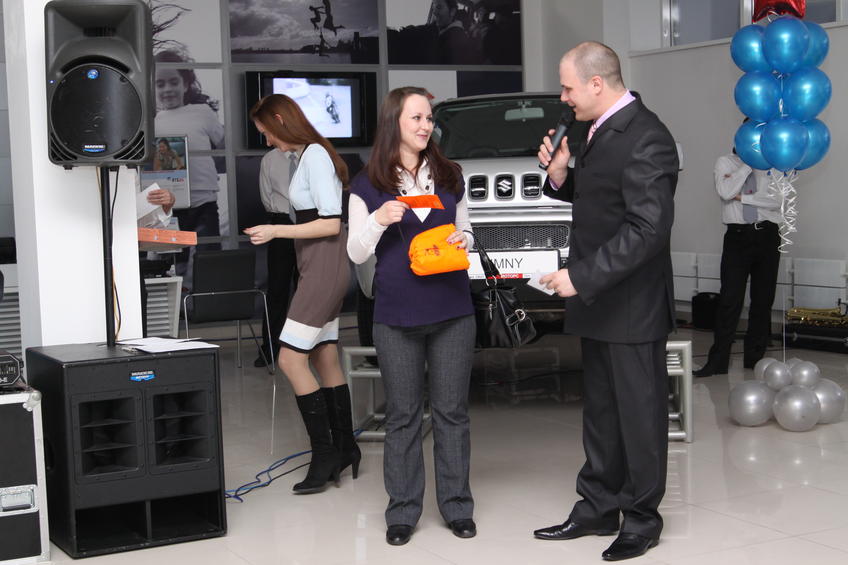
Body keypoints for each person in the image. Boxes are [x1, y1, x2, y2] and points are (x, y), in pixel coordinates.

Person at [534, 42, 678, 562]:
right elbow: (603, 200)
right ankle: (597, 506)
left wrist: (581, 276)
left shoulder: (648, 137)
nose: (563, 97)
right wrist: (561, 177)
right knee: (600, 412)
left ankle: (641, 519)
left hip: (632, 304)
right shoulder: (597, 127)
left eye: (568, 87)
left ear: (597, 83)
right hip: (599, 300)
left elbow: (647, 230)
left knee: (639, 416)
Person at [347, 86, 477, 546]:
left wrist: (464, 240)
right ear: (394, 123)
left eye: (428, 119)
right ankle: (402, 511)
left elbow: (466, 230)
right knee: (402, 415)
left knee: (451, 413)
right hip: (396, 314)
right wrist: (378, 219)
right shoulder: (367, 183)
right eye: (416, 118)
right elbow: (356, 251)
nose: (426, 126)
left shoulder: (449, 174)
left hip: (452, 310)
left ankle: (457, 506)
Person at [244, 94, 358, 495]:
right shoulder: (311, 155)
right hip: (317, 264)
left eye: (266, 133)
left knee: (290, 359)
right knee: (325, 356)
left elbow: (330, 223)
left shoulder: (315, 156)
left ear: (280, 120)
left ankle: (324, 454)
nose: (267, 141)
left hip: (323, 268)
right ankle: (345, 447)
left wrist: (275, 230)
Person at [693, 148, 780, 377]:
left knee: (763, 300)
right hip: (737, 236)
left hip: (768, 235)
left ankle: (755, 360)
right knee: (730, 299)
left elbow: (777, 200)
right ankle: (717, 362)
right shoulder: (725, 162)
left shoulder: (774, 163)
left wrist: (743, 197)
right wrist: (747, 166)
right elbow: (725, 192)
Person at [153, 50, 225, 286]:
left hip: (204, 200)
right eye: (160, 84)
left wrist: (210, 171)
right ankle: (182, 299)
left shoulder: (202, 113)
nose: (167, 89)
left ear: (185, 84)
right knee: (176, 260)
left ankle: (208, 298)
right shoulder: (152, 122)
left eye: (174, 82)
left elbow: (223, 146)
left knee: (209, 258)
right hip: (170, 204)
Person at [253, 148, 299, 368]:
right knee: (277, 289)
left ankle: (305, 347)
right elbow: (266, 197)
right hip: (281, 224)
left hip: (311, 223)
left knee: (307, 289)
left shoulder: (313, 154)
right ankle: (270, 348)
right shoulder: (269, 159)